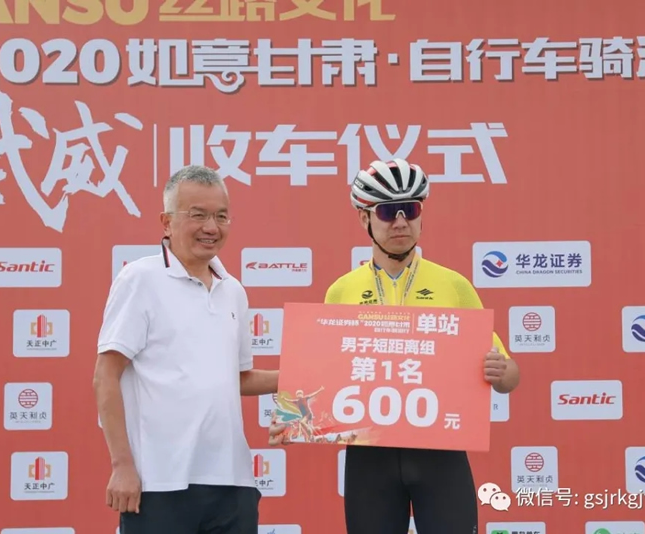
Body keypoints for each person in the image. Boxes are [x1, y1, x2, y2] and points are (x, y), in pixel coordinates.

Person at [268, 158, 520, 534]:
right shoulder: (342, 290)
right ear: (364, 219)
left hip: (441, 454)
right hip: (370, 458)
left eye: (410, 210)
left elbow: (509, 376)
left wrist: (501, 372)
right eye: (387, 212)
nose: (400, 221)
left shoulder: (454, 285)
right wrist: (294, 418)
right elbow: (324, 376)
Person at [94, 165, 279, 534]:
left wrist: (306, 374)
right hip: (160, 482)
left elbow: (238, 378)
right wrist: (122, 465)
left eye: (221, 216)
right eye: (198, 215)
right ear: (167, 222)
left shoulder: (233, 290)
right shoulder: (141, 279)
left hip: (233, 483)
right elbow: (106, 376)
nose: (211, 227)